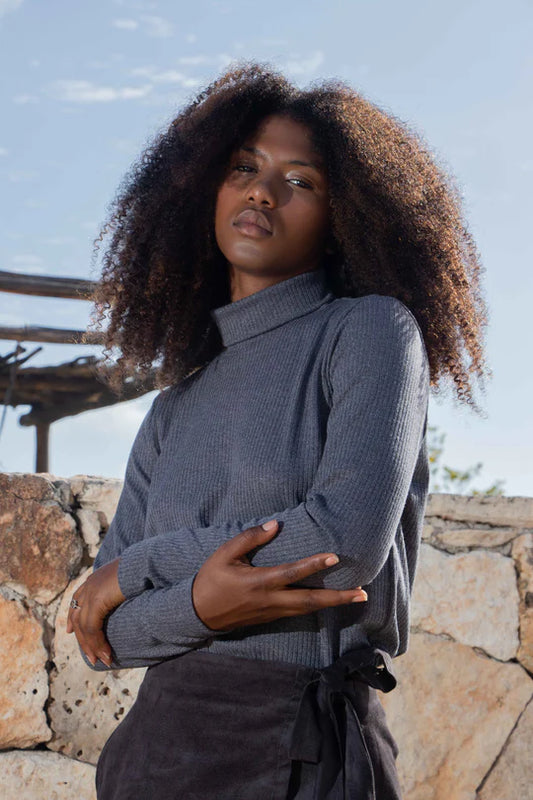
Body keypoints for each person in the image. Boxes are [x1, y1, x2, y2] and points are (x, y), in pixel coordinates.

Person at [66, 63, 487, 799]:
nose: (262, 191)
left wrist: (142, 576)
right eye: (243, 168)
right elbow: (110, 637)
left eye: (300, 180)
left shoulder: (370, 333)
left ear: (343, 214)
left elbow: (342, 543)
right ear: (204, 188)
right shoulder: (175, 406)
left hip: (299, 751)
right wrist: (202, 600)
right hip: (155, 755)